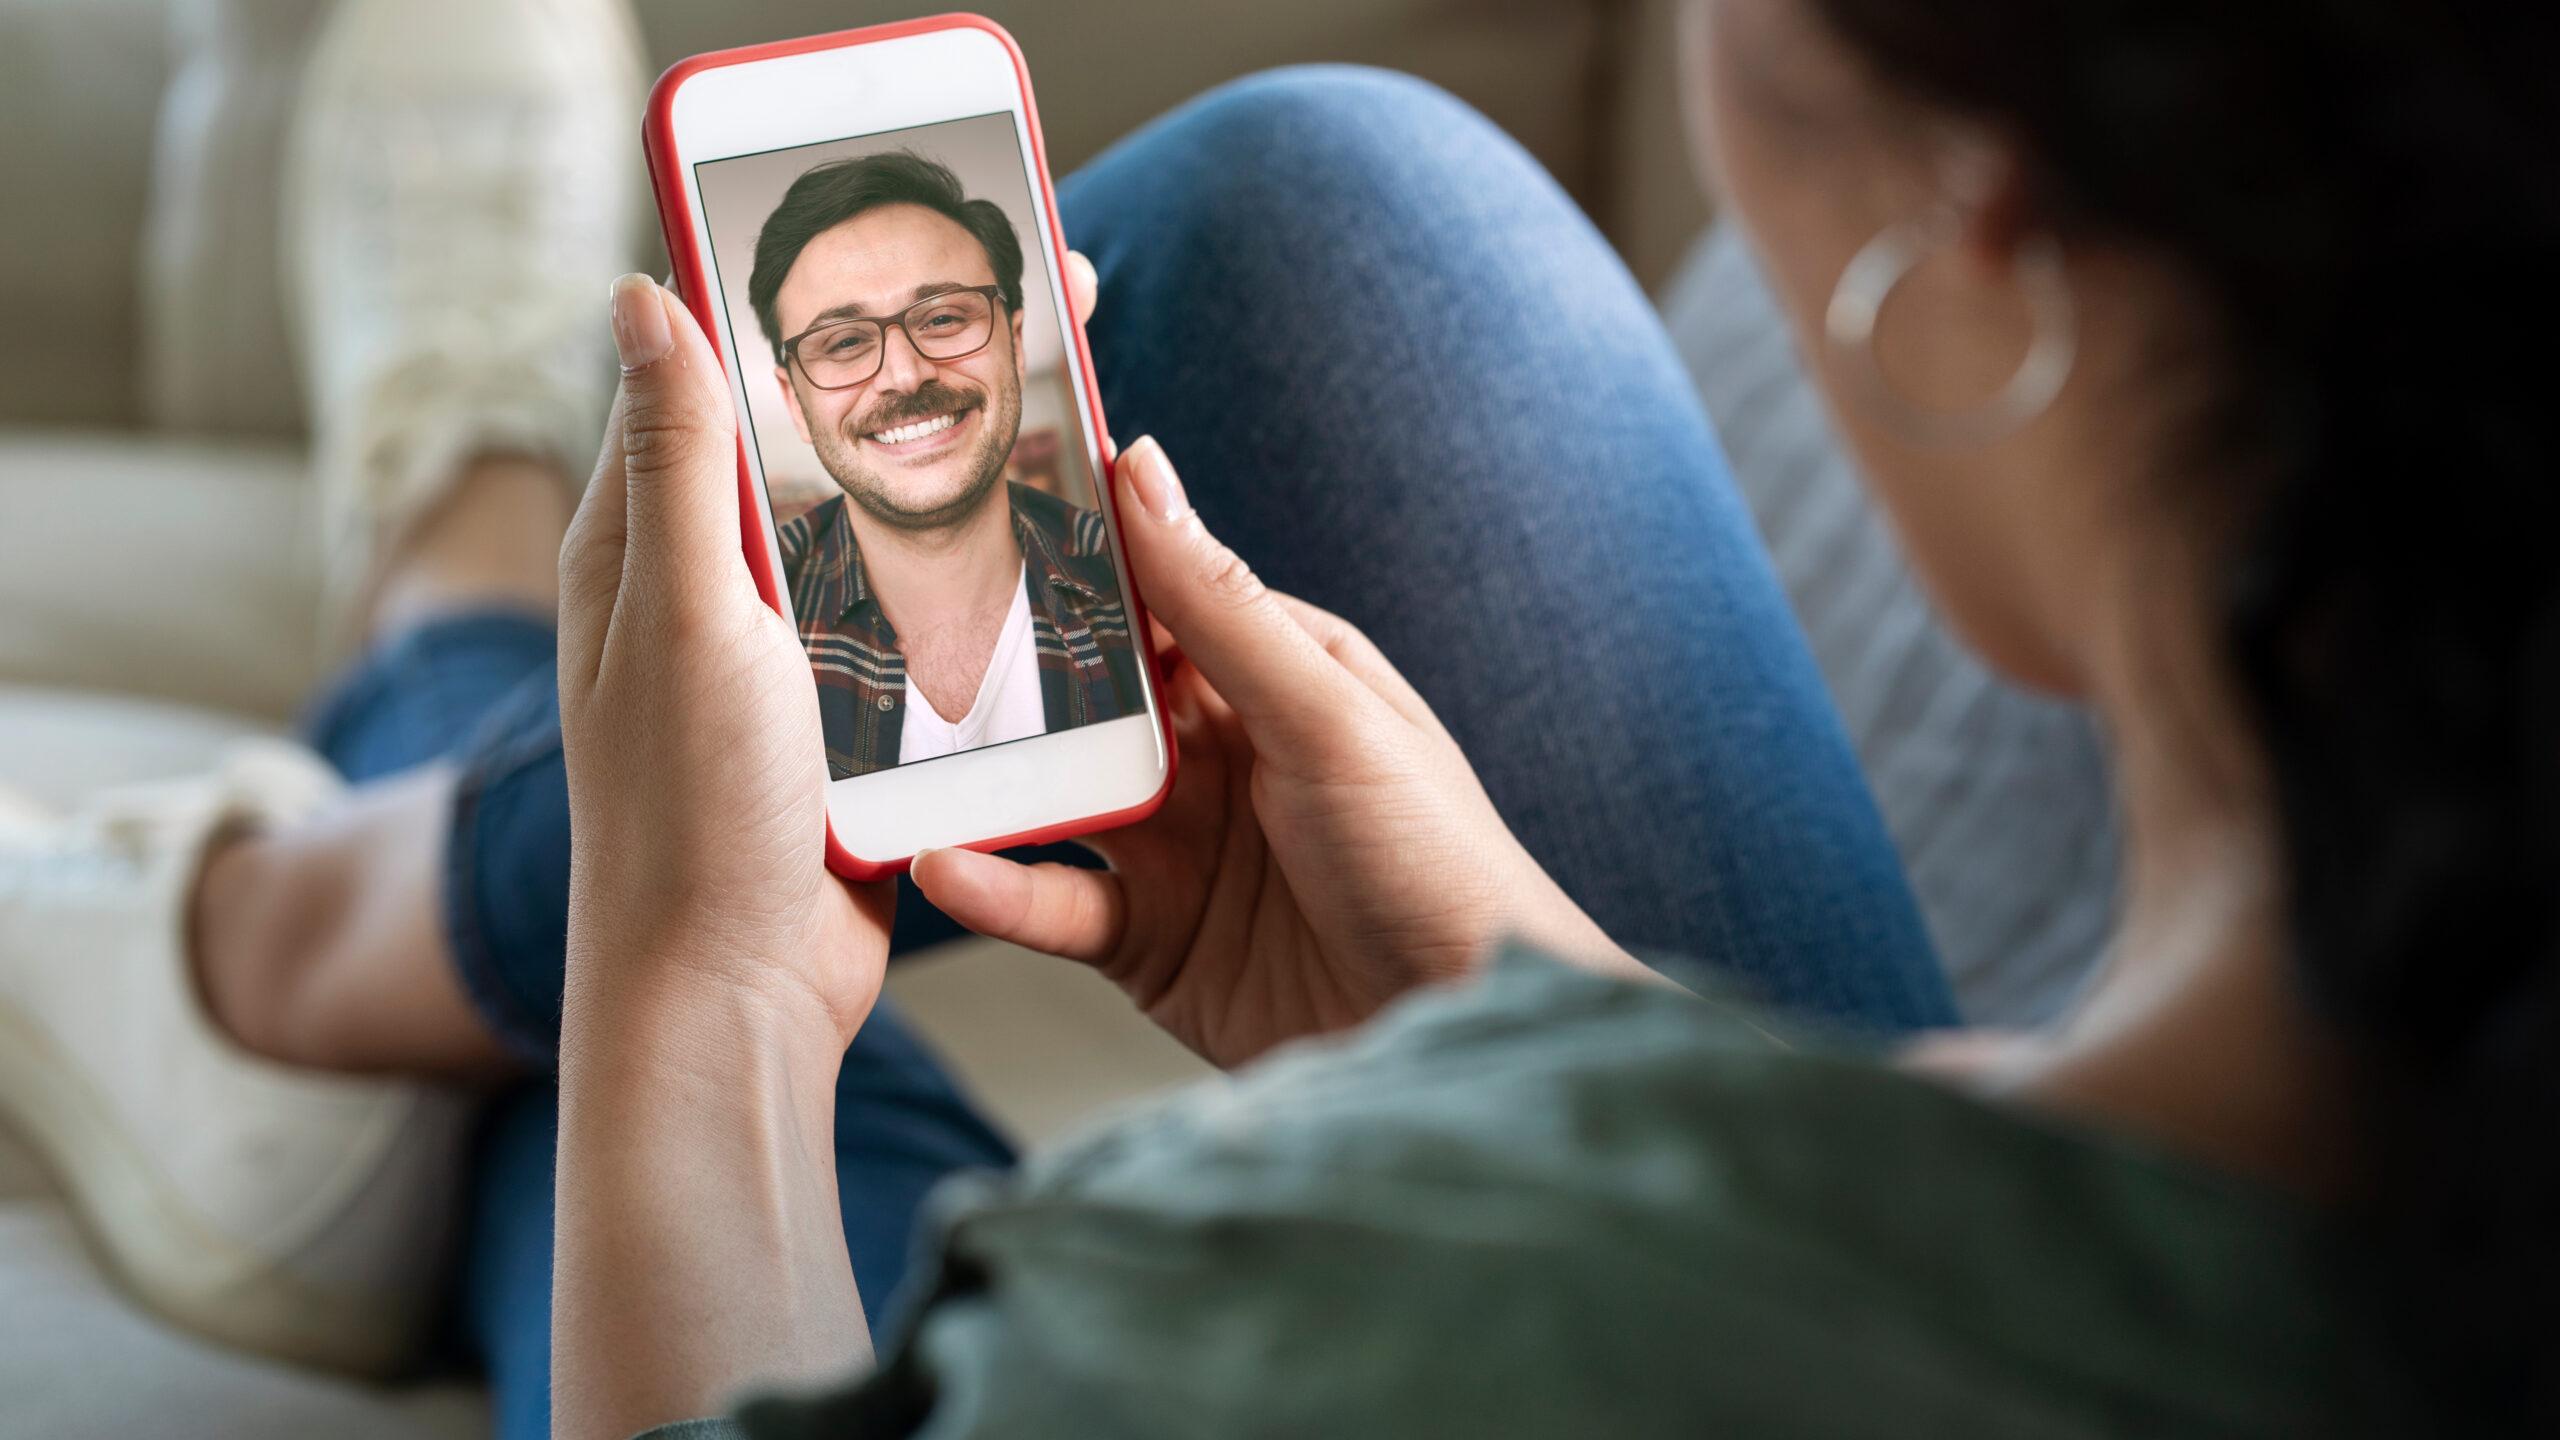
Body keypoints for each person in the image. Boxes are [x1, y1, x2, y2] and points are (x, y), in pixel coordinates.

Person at [0, 0, 2548, 1437]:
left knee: (661, 994)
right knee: (1337, 232)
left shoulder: (1314, 1308)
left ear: (1979, 236)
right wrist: (1551, 1022)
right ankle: (407, 704)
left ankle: (390, 695)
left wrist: (700, 1007)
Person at [749, 152, 1143, 776]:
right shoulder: (743, 620)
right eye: (846, 342)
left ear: (1014, 345)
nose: (905, 376)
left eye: (942, 318)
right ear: (794, 403)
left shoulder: (1140, 588)